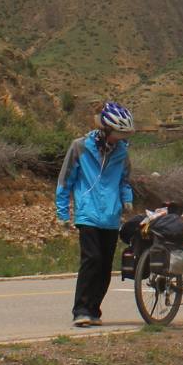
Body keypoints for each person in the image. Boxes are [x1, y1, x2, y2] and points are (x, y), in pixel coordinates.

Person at [55, 102, 136, 327]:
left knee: (105, 266)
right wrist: (63, 212)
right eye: (118, 133)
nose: (120, 138)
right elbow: (65, 180)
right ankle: (80, 309)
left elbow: (124, 180)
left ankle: (94, 310)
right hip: (88, 213)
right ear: (106, 130)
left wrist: (126, 199)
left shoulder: (121, 153)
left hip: (111, 216)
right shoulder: (80, 147)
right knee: (92, 260)